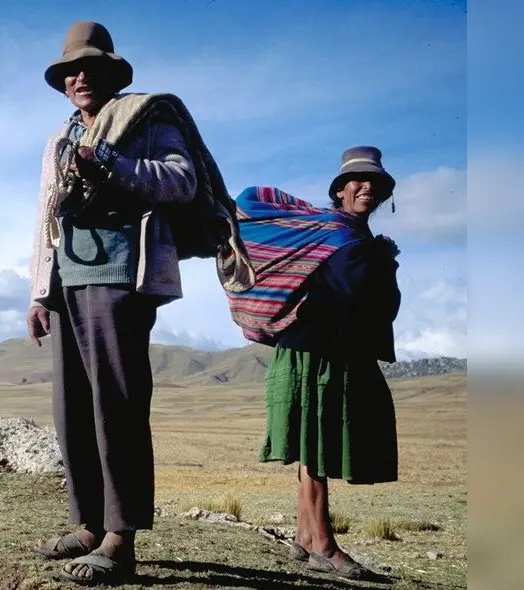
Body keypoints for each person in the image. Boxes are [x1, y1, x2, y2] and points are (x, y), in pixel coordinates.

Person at [26, 20, 252, 585]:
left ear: (111, 73)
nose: (79, 78)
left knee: (118, 405)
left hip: (121, 276)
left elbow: (182, 180)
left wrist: (112, 165)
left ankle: (119, 539)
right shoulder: (58, 138)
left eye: (89, 67)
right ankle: (88, 524)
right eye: (70, 71)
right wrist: (38, 292)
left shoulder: (147, 119)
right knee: (73, 408)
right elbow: (44, 216)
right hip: (68, 280)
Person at [245, 146, 402, 580]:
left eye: (376, 183)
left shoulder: (359, 238)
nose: (367, 188)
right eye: (358, 180)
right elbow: (349, 292)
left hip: (334, 350)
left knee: (315, 442)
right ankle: (324, 546)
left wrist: (379, 259)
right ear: (339, 190)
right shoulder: (332, 232)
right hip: (312, 350)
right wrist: (381, 262)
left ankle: (304, 535)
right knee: (315, 445)